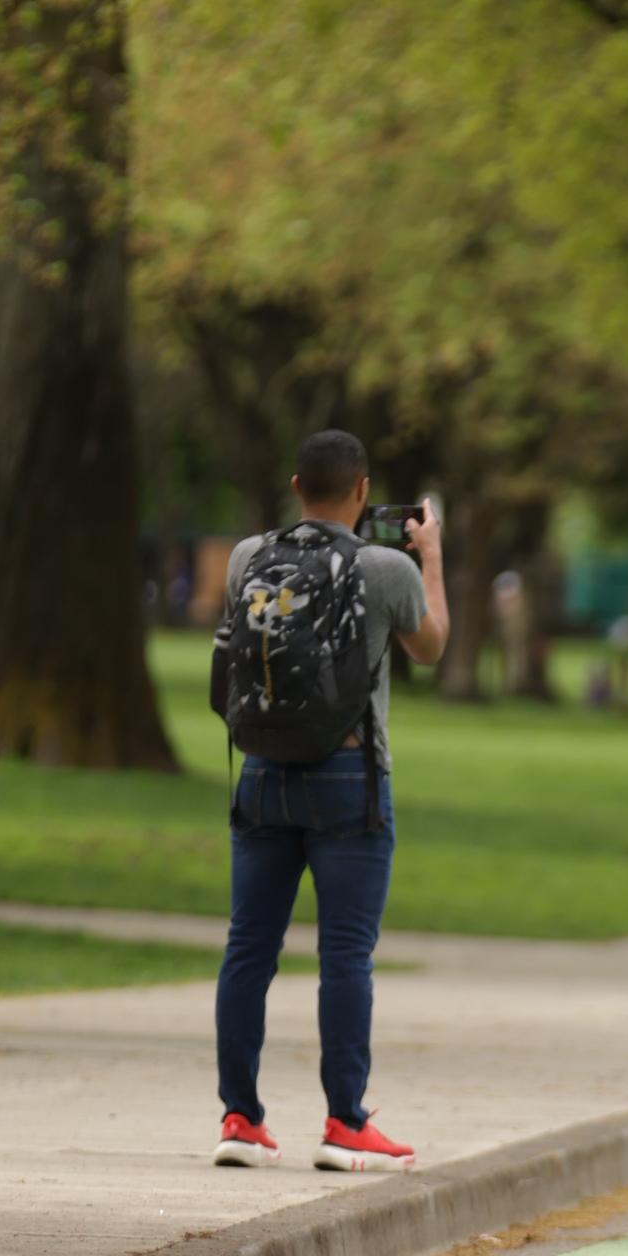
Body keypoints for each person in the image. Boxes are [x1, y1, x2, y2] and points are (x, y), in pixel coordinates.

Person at [211, 426, 448, 1170]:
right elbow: (431, 645)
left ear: (295, 487)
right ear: (364, 492)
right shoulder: (385, 568)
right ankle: (345, 1121)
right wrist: (432, 558)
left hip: (260, 774)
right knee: (345, 954)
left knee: (249, 948)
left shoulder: (247, 557)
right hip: (350, 777)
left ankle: (239, 1119)